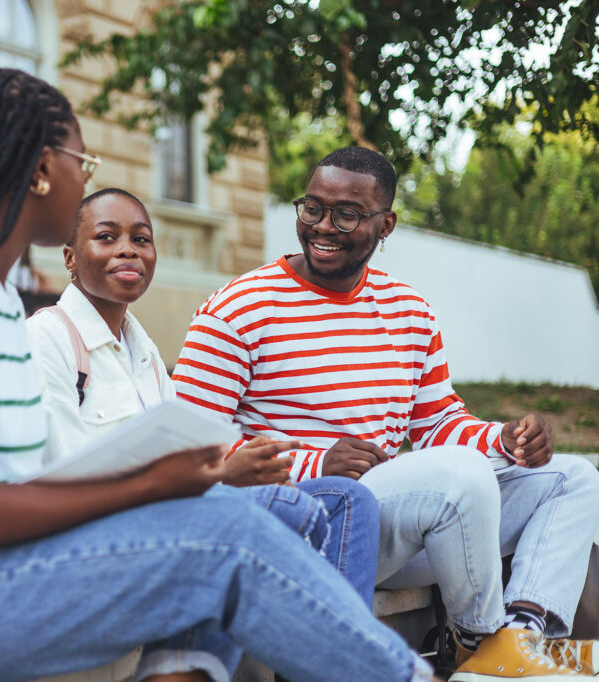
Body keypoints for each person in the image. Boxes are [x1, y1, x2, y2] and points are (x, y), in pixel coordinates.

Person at [0, 71, 437, 682]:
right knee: (226, 539)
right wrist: (151, 483)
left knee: (211, 517)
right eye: (81, 165)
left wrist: (169, 487)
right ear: (41, 171)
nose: (84, 182)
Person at [173, 145, 599, 680]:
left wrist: (507, 439)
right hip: (315, 522)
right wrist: (315, 464)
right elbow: (188, 447)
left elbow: (440, 425)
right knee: (457, 477)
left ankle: (518, 637)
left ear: (385, 224)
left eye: (347, 213)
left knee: (574, 477)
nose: (323, 225)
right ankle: (476, 637)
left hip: (401, 522)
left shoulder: (408, 311)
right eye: (312, 208)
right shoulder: (239, 307)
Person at [27, 187, 380, 608]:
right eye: (107, 237)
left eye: (141, 239)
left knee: (348, 498)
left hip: (172, 517)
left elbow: (183, 459)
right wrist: (221, 476)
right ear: (70, 257)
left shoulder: (147, 355)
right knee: (287, 510)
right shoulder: (47, 338)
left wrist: (241, 467)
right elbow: (65, 484)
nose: (128, 251)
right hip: (102, 540)